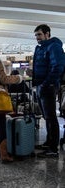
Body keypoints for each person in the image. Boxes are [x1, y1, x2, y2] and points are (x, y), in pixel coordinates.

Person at [33, 24, 65, 158]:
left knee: (51, 117)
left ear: (47, 34)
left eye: (39, 35)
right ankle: (48, 142)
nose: (37, 38)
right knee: (46, 117)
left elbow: (57, 66)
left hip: (48, 86)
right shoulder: (41, 48)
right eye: (36, 36)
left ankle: (53, 148)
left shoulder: (54, 46)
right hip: (41, 85)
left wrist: (47, 83)